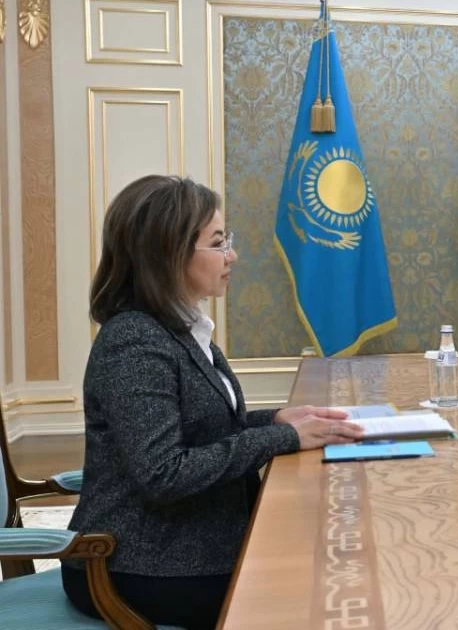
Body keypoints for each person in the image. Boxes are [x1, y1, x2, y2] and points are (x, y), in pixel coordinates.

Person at [62, 175, 365, 630]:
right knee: (319, 581)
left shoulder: (179, 328)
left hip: (186, 542)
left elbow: (204, 427)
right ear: (169, 253)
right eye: (219, 243)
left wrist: (276, 419)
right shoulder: (134, 342)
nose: (232, 256)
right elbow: (164, 473)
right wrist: (282, 438)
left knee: (331, 548)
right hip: (140, 563)